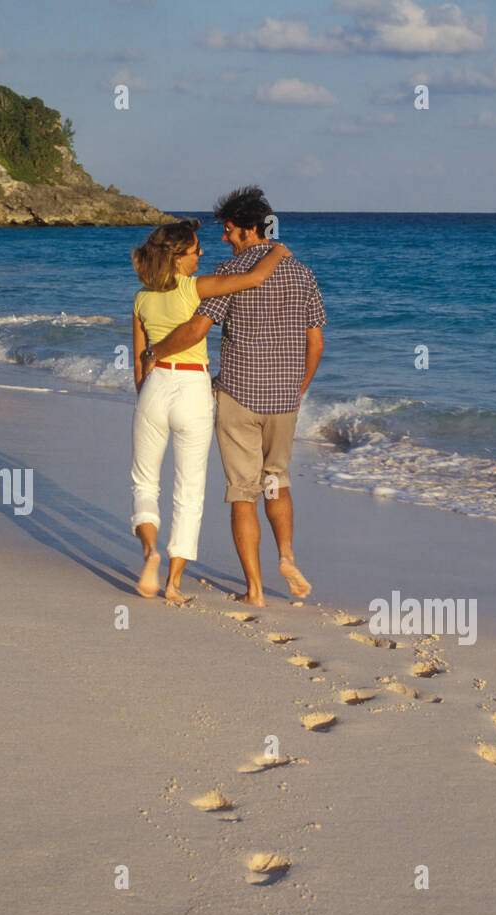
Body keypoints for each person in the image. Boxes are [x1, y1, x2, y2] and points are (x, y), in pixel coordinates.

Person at [144, 185, 325, 607]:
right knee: (276, 480)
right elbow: (315, 343)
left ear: (242, 229)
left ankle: (256, 592)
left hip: (239, 395)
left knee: (243, 492)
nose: (222, 239)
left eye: (225, 230)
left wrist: (155, 353)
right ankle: (286, 555)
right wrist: (299, 388)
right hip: (284, 398)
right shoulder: (302, 272)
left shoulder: (231, 273)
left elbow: (197, 329)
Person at [130, 219, 290, 603]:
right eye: (195, 249)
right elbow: (253, 279)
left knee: (144, 481)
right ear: (177, 258)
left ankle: (150, 553)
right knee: (189, 491)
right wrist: (279, 250)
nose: (202, 253)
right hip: (193, 389)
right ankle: (172, 584)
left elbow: (140, 359)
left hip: (155, 387)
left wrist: (146, 396)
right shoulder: (194, 288)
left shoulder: (141, 298)